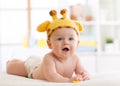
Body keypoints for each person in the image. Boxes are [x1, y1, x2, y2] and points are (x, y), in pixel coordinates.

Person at [6, 9, 90, 82]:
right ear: (50, 44)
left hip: (40, 64)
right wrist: (68, 80)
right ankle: (10, 62)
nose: (66, 42)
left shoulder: (75, 59)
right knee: (11, 68)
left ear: (77, 44)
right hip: (33, 68)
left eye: (70, 39)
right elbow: (52, 77)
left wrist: (85, 75)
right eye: (60, 39)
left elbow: (82, 71)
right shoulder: (49, 58)